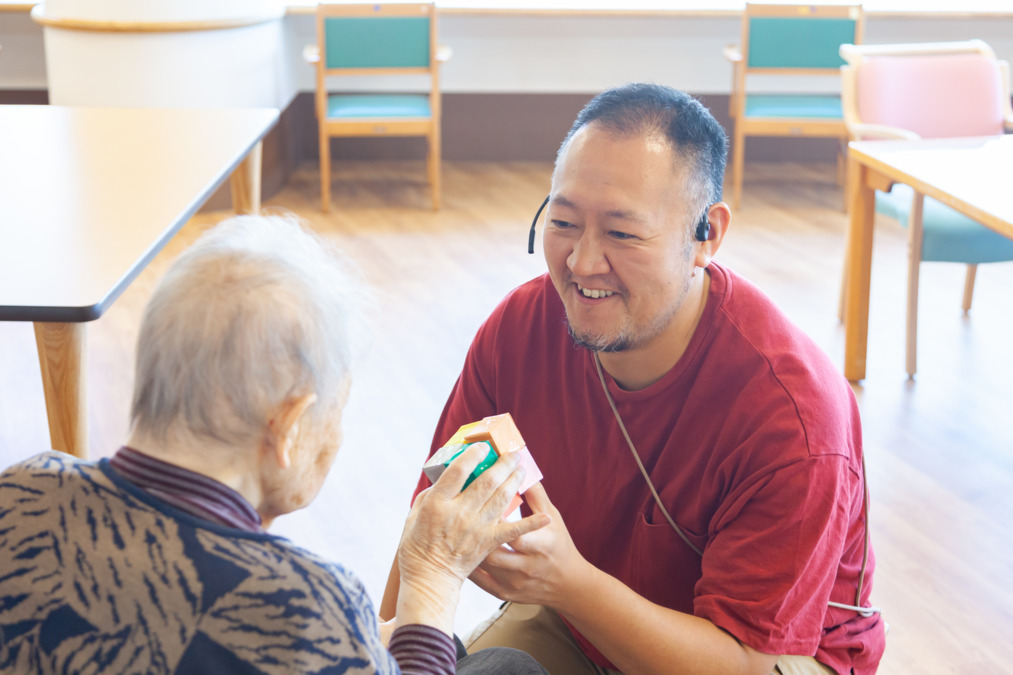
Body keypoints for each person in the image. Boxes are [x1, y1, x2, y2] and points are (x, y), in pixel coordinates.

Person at [380, 83, 886, 674]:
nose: (582, 263)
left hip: (763, 653)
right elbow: (431, 527)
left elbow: (743, 660)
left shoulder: (792, 417)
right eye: (564, 221)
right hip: (583, 606)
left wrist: (570, 585)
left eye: (622, 233)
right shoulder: (522, 326)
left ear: (707, 236)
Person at [0, 215, 550, 675]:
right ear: (288, 425)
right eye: (337, 408)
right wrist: (432, 576)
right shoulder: (302, 608)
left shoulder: (20, 490)